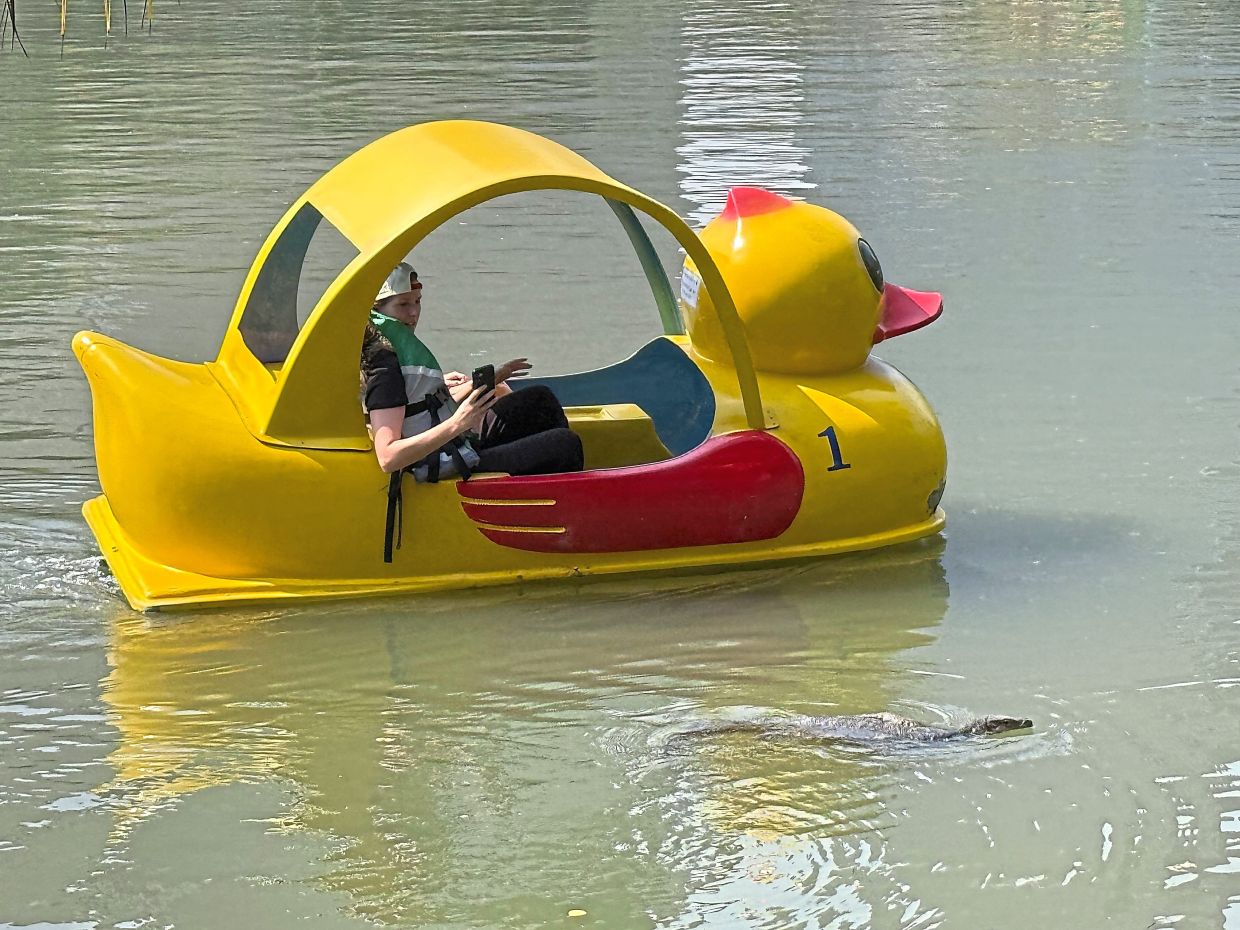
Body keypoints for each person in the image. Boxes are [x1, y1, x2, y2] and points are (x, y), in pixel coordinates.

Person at [361, 262, 584, 483]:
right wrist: (458, 422)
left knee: (540, 400)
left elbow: (421, 408)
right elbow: (388, 457)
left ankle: (538, 484)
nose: (413, 312)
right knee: (565, 445)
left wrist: (489, 380)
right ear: (376, 310)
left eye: (418, 301)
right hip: (441, 462)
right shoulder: (384, 367)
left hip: (455, 439)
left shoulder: (397, 350)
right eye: (403, 304)